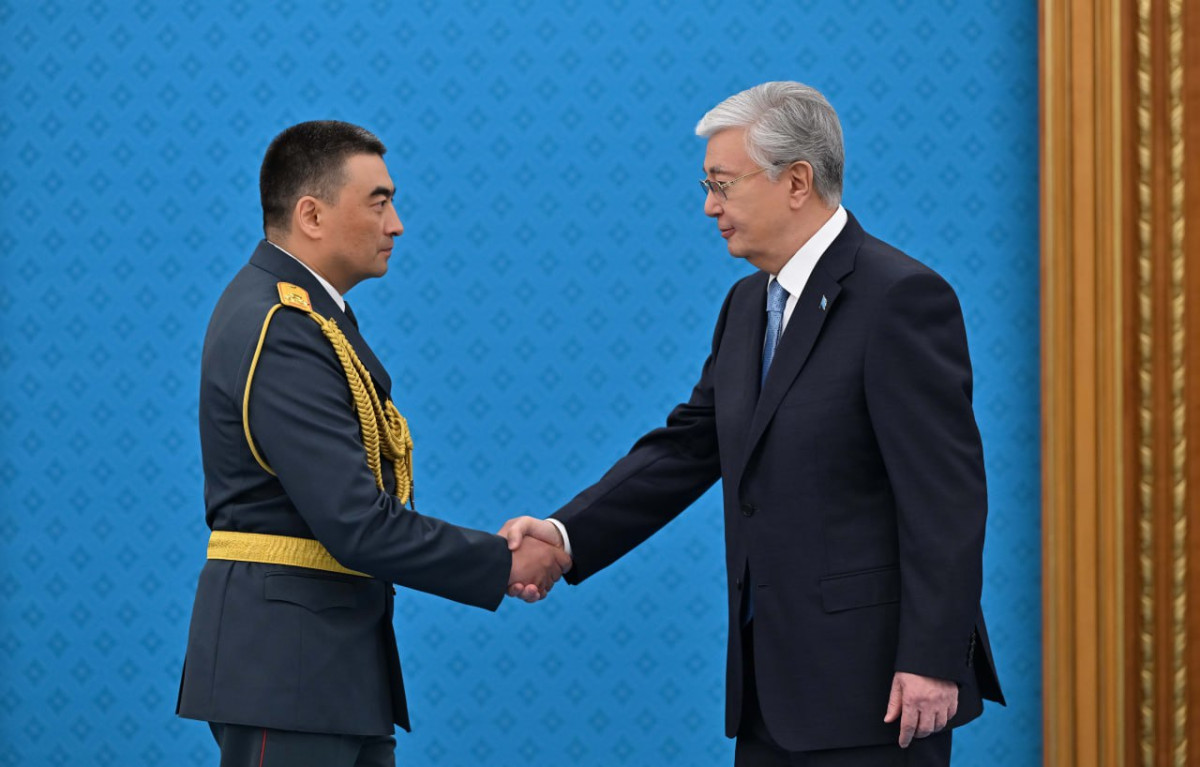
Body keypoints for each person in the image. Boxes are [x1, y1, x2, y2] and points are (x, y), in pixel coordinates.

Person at [502, 82, 1005, 766]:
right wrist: (564, 535)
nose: (709, 206)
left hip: (881, 693)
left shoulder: (900, 298)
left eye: (723, 184)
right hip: (769, 690)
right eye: (707, 186)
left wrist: (932, 658)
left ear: (796, 181)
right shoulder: (747, 305)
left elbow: (945, 498)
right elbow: (688, 447)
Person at [176, 120, 570, 767]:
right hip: (288, 672)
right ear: (311, 214)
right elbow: (354, 521)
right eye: (378, 202)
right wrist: (501, 563)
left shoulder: (308, 316)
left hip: (320, 671)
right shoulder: (284, 326)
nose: (397, 225)